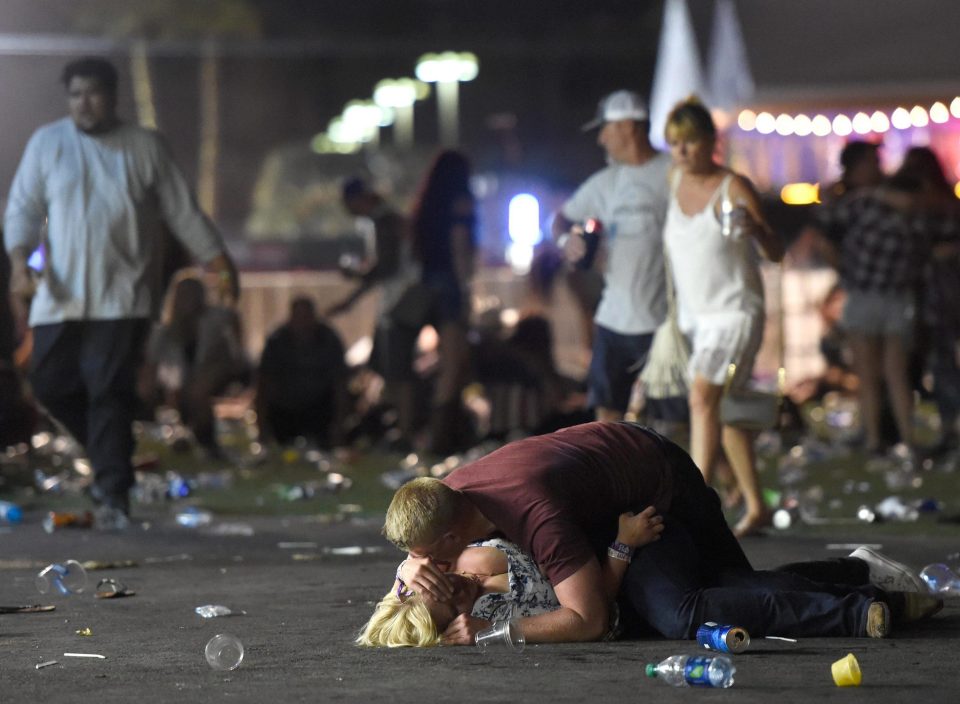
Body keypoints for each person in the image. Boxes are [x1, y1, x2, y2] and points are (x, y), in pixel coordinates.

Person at [383, 422, 941, 645]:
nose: (425, 568)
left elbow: (590, 617)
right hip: (609, 506)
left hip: (655, 490)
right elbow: (422, 555)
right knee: (734, 585)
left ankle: (861, 600)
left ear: (454, 538)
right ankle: (857, 573)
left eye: (426, 558)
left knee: (689, 610)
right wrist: (409, 571)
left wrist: (487, 638)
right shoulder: (449, 497)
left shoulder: (535, 514)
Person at [3, 57, 238, 528]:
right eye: (75, 95)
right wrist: (18, 263)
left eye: (92, 93)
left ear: (113, 97)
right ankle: (110, 457)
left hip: (123, 294)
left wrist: (217, 261)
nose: (83, 104)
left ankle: (114, 494)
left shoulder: (143, 146)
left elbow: (181, 209)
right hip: (60, 294)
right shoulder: (48, 143)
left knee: (107, 390)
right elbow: (23, 209)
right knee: (48, 383)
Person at [661, 98, 784, 538]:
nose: (682, 151)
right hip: (698, 316)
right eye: (674, 142)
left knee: (702, 397)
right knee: (724, 410)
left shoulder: (733, 187)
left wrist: (758, 231)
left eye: (690, 141)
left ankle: (696, 497)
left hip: (735, 312)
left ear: (710, 142)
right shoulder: (673, 181)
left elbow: (776, 252)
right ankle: (756, 506)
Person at [359, 507, 664, 647]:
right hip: (622, 566)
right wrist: (624, 545)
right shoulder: (500, 613)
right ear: (454, 627)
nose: (457, 588)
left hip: (582, 518)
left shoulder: (450, 560)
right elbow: (596, 610)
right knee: (685, 613)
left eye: (441, 586)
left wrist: (406, 566)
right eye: (454, 605)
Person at [814, 148, 948, 459]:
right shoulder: (901, 205)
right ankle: (907, 439)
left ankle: (875, 439)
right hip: (896, 297)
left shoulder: (858, 203)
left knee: (869, 373)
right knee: (895, 374)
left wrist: (844, 273)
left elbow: (825, 233)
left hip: (865, 295)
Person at [551, 90, 672, 422]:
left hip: (664, 322)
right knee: (606, 420)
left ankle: (689, 475)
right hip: (613, 321)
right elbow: (560, 218)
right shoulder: (605, 182)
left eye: (606, 129)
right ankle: (617, 475)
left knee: (673, 420)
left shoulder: (673, 172)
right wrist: (566, 240)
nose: (602, 140)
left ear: (629, 128)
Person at [327, 178, 422, 448]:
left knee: (398, 369)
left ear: (360, 199)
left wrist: (355, 277)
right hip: (398, 301)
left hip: (398, 303)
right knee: (386, 366)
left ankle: (404, 431)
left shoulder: (383, 220)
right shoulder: (388, 219)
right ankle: (398, 426)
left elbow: (387, 268)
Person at [409, 151, 477, 455]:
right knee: (451, 365)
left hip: (428, 284)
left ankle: (441, 432)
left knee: (445, 363)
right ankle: (438, 439)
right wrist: (465, 287)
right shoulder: (460, 201)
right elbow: (460, 243)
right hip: (450, 285)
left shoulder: (426, 206)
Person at [138, 270, 248, 457]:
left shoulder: (215, 319)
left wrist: (237, 351)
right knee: (183, 391)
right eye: (184, 294)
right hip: (180, 381)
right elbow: (152, 362)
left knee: (198, 389)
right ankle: (191, 435)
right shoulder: (164, 332)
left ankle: (206, 440)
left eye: (193, 293)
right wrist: (147, 387)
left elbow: (233, 314)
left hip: (218, 373)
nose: (188, 299)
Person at [255, 296, 347, 448]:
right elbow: (262, 385)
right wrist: (262, 427)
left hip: (319, 409)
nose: (303, 323)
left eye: (307, 317)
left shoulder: (329, 340)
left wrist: (338, 426)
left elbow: (340, 384)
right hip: (285, 409)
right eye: (299, 317)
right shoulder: (277, 341)